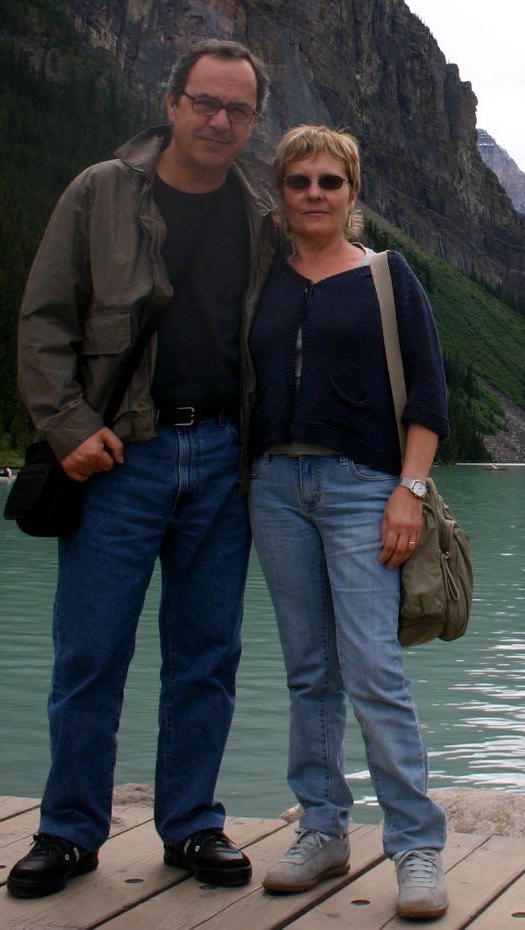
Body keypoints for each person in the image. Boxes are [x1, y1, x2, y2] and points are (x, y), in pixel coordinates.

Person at [8, 39, 278, 899]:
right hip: (119, 457)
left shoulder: (262, 212)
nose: (219, 120)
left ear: (253, 121)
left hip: (224, 461)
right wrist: (68, 428)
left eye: (237, 109)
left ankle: (191, 824)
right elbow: (44, 320)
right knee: (90, 651)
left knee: (207, 656)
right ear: (170, 102)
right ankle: (69, 830)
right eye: (205, 102)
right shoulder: (100, 191)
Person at [246, 126, 449, 920]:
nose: (314, 194)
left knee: (372, 667)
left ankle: (416, 846)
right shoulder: (263, 280)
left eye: (329, 181)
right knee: (308, 668)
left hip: (364, 488)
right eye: (298, 181)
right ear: (281, 192)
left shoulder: (387, 277)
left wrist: (408, 490)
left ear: (352, 193)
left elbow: (427, 394)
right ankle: (322, 829)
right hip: (274, 486)